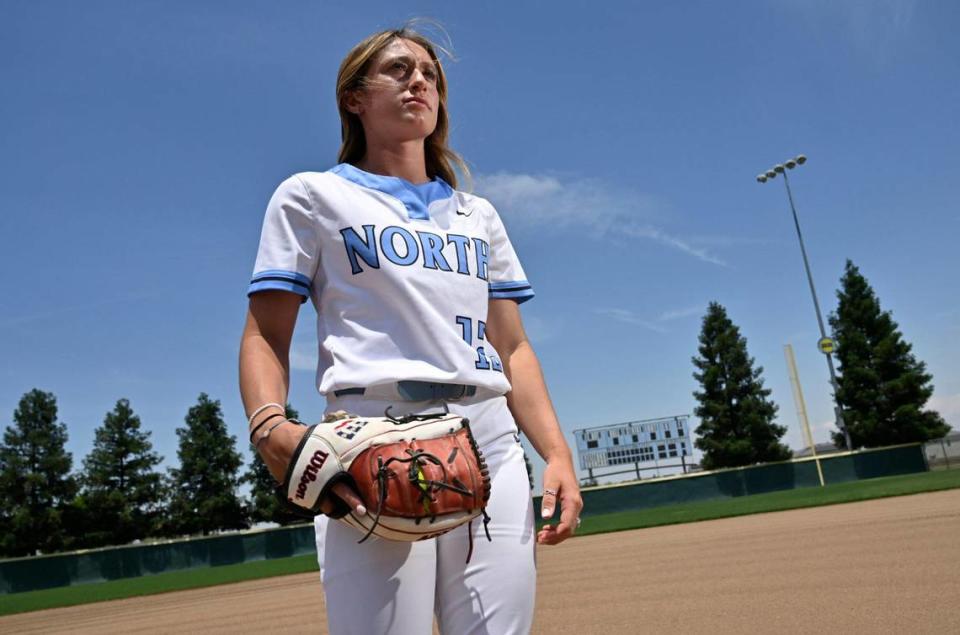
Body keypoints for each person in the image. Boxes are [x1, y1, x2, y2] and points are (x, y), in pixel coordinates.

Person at [238, 25, 582, 634]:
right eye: (398, 69)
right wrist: (268, 423)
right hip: (368, 442)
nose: (419, 80)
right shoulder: (312, 197)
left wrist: (556, 454)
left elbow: (512, 347)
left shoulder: (478, 215)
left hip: (489, 443)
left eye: (429, 74)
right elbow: (266, 333)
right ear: (354, 98)